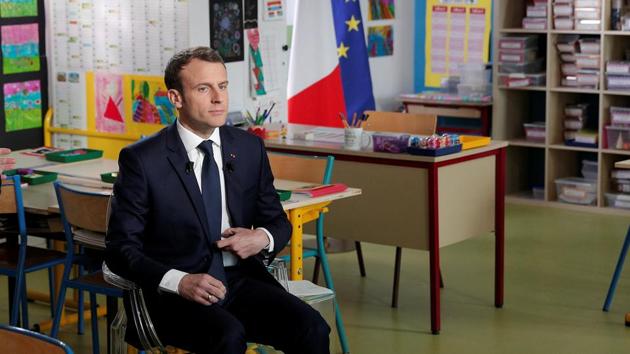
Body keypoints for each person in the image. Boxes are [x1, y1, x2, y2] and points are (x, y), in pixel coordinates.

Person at [105, 47, 330, 354]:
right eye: (203, 88)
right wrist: (179, 281)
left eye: (222, 86)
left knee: (312, 327)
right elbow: (120, 249)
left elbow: (277, 222)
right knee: (228, 336)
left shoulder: (249, 148)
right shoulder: (142, 160)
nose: (218, 98)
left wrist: (260, 238)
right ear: (176, 98)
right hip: (175, 291)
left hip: (240, 279)